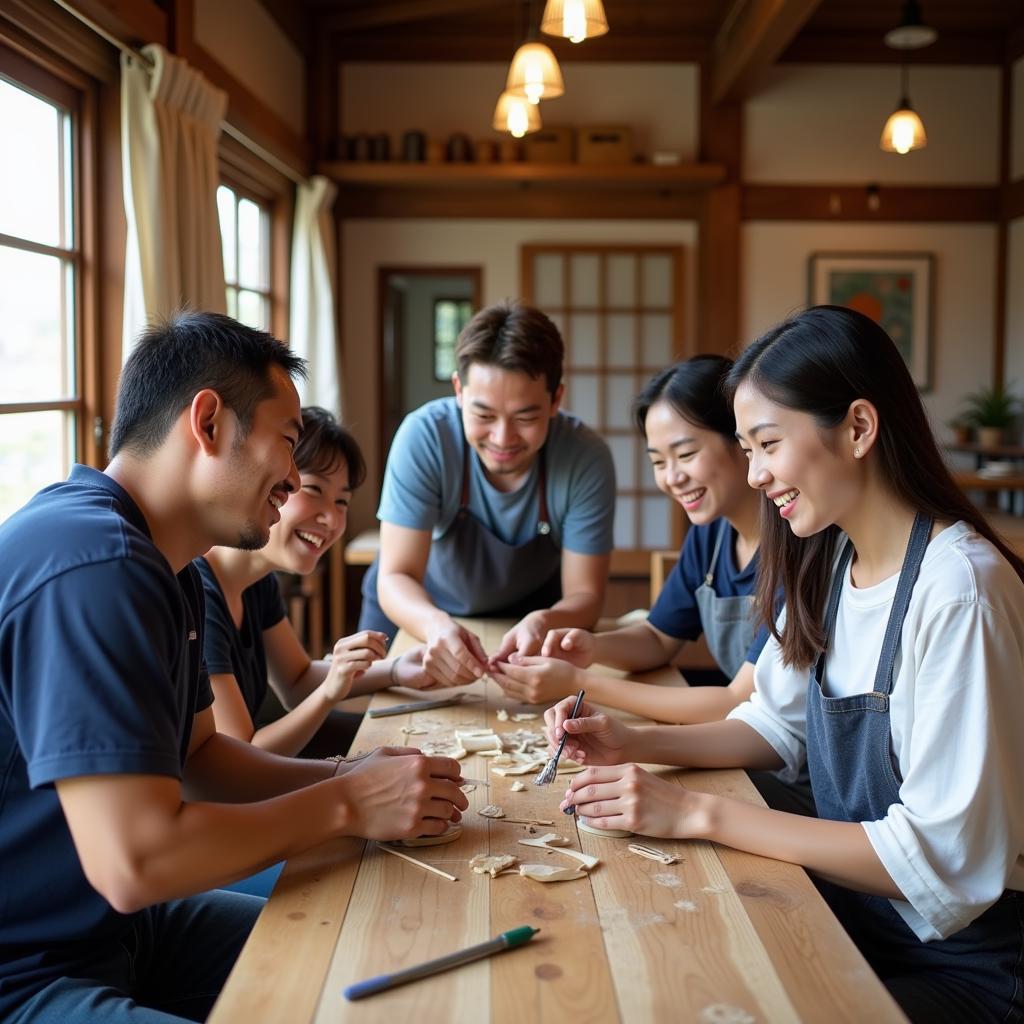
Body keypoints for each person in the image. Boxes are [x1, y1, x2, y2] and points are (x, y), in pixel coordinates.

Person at [546, 306, 1024, 1022]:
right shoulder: (829, 559)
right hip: (859, 919)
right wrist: (633, 740)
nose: (758, 473)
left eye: (767, 443)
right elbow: (777, 725)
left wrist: (697, 810)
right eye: (746, 447)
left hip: (967, 965)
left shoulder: (960, 589)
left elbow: (942, 858)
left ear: (859, 428)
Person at [0, 312, 467, 1024]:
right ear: (208, 422)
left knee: (384, 968)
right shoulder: (93, 564)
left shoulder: (171, 565)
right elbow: (135, 864)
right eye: (286, 443)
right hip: (27, 968)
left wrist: (350, 775)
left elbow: (203, 758)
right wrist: (349, 804)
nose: (291, 475)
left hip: (120, 930)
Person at [491, 356, 769, 724]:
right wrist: (589, 648)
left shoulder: (793, 548)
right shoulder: (710, 536)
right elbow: (658, 638)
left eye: (686, 454)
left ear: (742, 440)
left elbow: (738, 702)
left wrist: (579, 682)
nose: (672, 478)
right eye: (657, 461)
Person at [359, 299, 615, 687]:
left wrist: (544, 620)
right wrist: (435, 625)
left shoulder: (584, 456)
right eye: (483, 416)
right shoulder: (425, 436)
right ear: (459, 390)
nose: (502, 438)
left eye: (525, 417)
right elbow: (396, 574)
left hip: (527, 620)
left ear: (555, 400)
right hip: (418, 611)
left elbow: (585, 596)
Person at [198, 406, 433, 763]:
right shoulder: (200, 593)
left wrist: (399, 669)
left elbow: (297, 680)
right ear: (275, 481)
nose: (332, 518)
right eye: (314, 490)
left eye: (342, 501)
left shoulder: (256, 579)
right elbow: (244, 758)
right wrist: (330, 693)